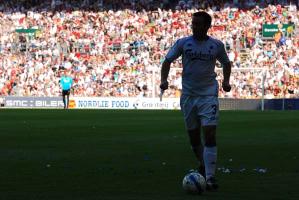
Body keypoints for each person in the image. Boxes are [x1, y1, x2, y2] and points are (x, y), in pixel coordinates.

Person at [160, 11, 231, 190]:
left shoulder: (216, 45)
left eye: (198, 24)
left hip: (208, 96)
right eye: (193, 23)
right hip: (189, 97)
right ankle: (204, 164)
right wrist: (163, 80)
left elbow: (226, 63)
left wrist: (226, 81)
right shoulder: (184, 43)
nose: (195, 26)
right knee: (194, 139)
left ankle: (210, 177)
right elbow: (167, 61)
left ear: (207, 26)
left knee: (210, 134)